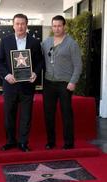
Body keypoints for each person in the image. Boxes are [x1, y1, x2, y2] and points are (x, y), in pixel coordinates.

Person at [0, 13, 43, 152]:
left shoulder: (34, 42)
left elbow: (40, 61)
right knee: (9, 114)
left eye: (23, 23)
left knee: (26, 116)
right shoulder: (5, 41)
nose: (20, 26)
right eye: (17, 23)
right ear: (13, 25)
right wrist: (6, 75)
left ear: (27, 25)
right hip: (10, 85)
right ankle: (10, 141)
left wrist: (35, 73)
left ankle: (23, 142)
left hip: (27, 85)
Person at [42, 15, 82, 150]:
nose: (57, 28)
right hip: (48, 83)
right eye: (54, 26)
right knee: (48, 113)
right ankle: (51, 141)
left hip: (65, 84)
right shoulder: (46, 43)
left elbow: (78, 65)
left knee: (66, 113)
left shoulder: (72, 43)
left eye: (59, 26)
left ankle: (69, 142)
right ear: (52, 27)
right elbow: (36, 57)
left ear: (64, 26)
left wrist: (73, 81)